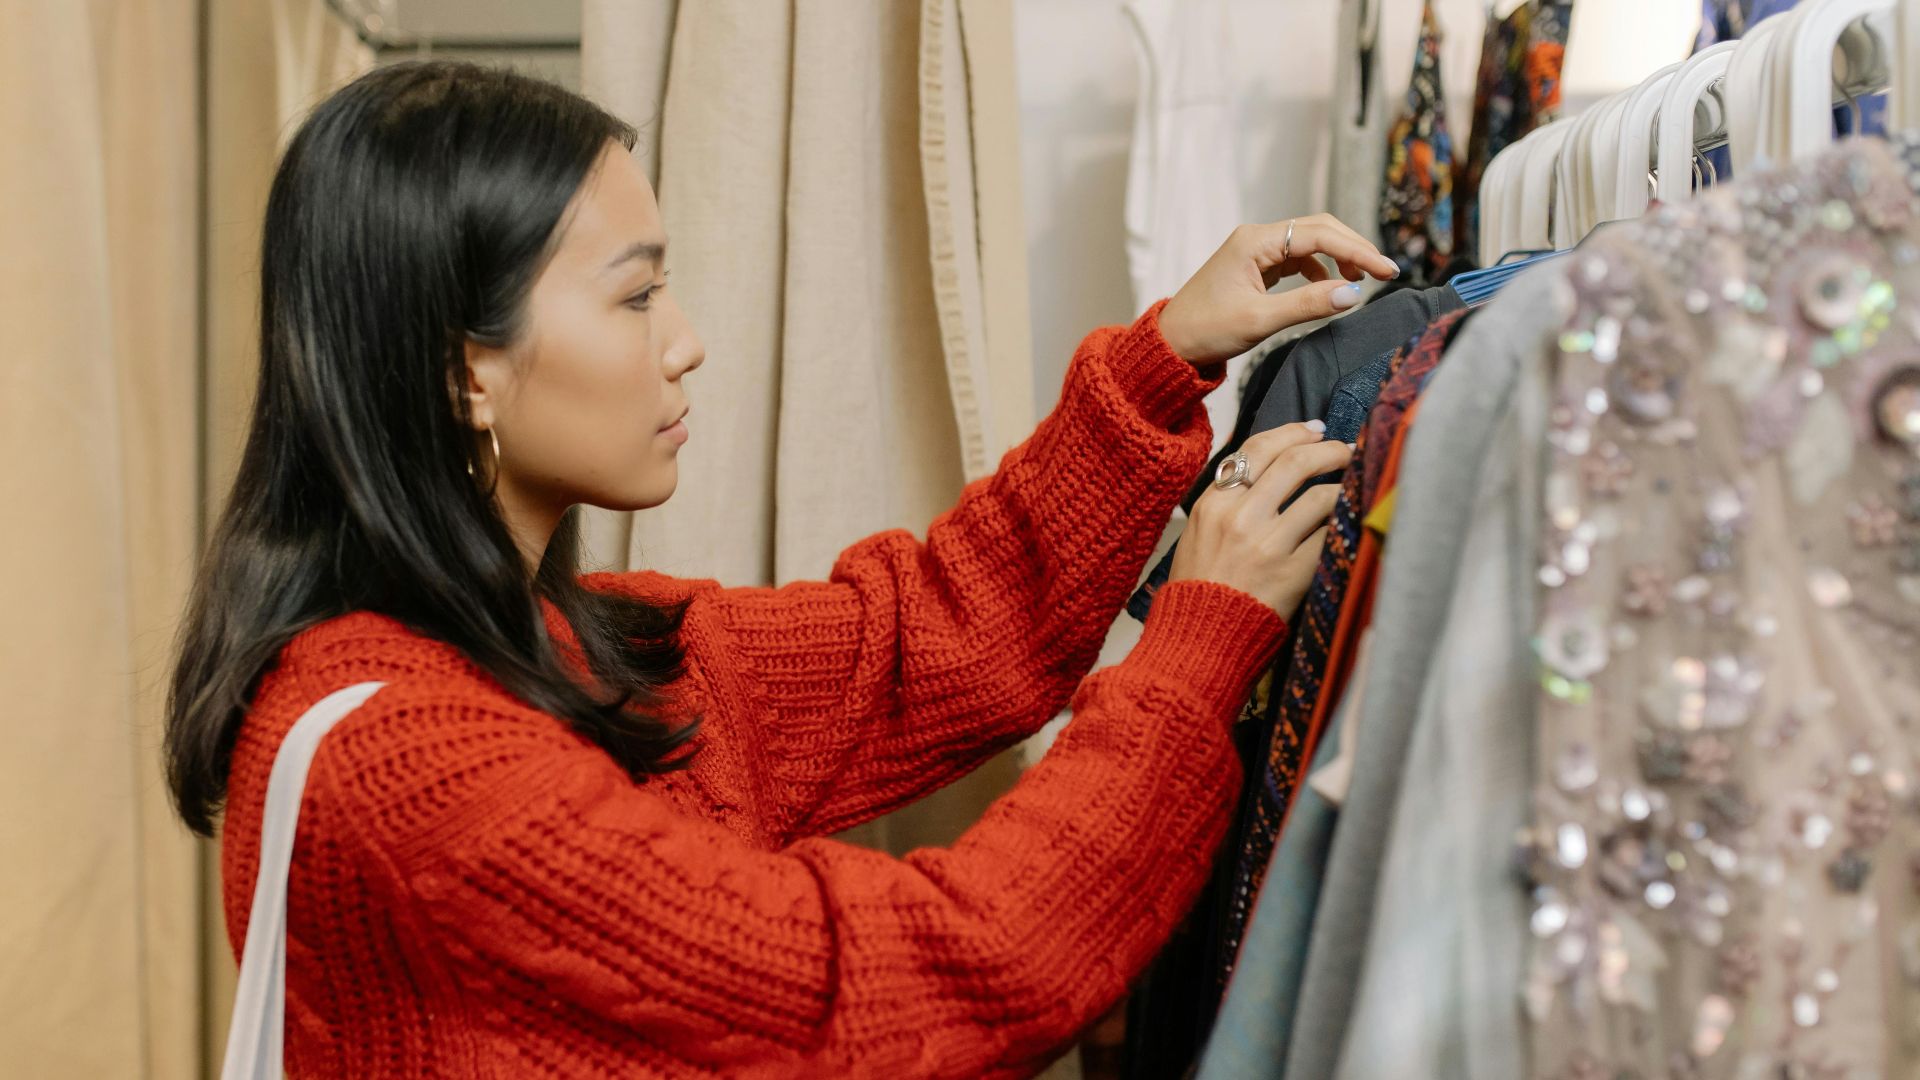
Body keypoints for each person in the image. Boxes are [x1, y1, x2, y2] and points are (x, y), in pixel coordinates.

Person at [163, 60, 1396, 1077]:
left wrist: (1165, 352)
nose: (686, 342)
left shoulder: (570, 651)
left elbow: (923, 638)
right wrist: (1196, 645)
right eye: (636, 296)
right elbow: (951, 974)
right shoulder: (418, 769)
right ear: (462, 368)